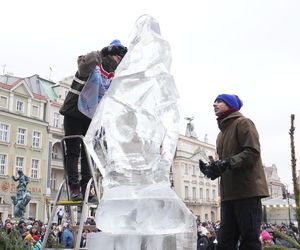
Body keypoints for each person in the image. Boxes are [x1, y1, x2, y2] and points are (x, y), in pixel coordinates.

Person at [59, 39, 127, 201]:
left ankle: (86, 188)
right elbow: (83, 64)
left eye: (120, 59)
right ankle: (74, 187)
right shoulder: (92, 67)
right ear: (109, 54)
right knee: (73, 150)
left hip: (92, 118)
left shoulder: (112, 77)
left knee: (88, 154)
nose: (117, 61)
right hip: (74, 112)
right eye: (116, 56)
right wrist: (102, 53)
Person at [199, 94, 269, 250]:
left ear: (230, 105)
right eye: (214, 101)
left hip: (246, 192)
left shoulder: (243, 123)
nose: (214, 104)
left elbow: (252, 153)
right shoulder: (220, 135)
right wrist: (213, 170)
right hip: (228, 195)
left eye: (219, 101)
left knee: (249, 241)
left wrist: (227, 163)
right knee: (224, 242)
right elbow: (226, 164)